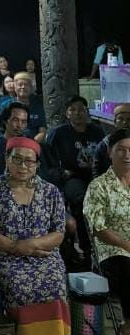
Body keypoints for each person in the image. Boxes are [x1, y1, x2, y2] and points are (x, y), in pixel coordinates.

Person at [0, 137, 70, 335]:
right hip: (4, 253)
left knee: (55, 279)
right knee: (19, 281)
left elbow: (58, 232)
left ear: (37, 164)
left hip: (43, 252)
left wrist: (31, 245)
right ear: (6, 160)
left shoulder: (50, 192)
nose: (23, 165)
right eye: (17, 159)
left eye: (29, 161)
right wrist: (15, 247)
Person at [84, 129, 130, 335]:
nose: (127, 155)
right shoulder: (98, 186)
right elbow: (98, 228)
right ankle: (129, 323)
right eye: (121, 150)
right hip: (112, 249)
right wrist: (127, 245)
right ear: (110, 152)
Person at [47, 95, 105, 256]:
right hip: (72, 177)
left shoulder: (97, 131)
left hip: (95, 176)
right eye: (73, 110)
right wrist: (61, 173)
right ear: (67, 113)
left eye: (81, 109)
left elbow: (105, 155)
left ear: (87, 112)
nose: (78, 113)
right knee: (81, 200)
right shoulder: (58, 133)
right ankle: (86, 246)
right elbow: (48, 158)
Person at [93, 103, 130, 178]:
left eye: (129, 119)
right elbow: (97, 169)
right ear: (115, 122)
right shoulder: (105, 144)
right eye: (121, 119)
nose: (125, 122)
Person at [13, 71, 46, 142]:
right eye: (20, 85)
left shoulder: (38, 105)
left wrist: (31, 144)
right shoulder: (7, 106)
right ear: (14, 87)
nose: (23, 87)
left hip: (34, 143)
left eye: (26, 85)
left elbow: (42, 131)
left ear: (31, 87)